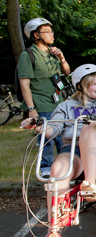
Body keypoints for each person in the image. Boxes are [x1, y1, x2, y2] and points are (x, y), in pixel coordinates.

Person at [21, 64, 96, 237]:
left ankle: (90, 184)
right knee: (57, 171)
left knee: (89, 127)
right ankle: (51, 234)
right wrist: (37, 126)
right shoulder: (66, 106)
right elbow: (53, 129)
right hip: (75, 150)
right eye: (92, 84)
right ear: (80, 86)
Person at [18, 17, 70, 178]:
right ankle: (47, 170)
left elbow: (67, 72)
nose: (51, 34)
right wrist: (32, 109)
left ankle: (66, 167)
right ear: (36, 35)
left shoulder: (53, 53)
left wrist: (61, 58)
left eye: (51, 31)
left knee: (64, 138)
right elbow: (24, 85)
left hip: (59, 103)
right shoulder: (28, 55)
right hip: (41, 104)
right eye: (47, 32)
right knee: (46, 140)